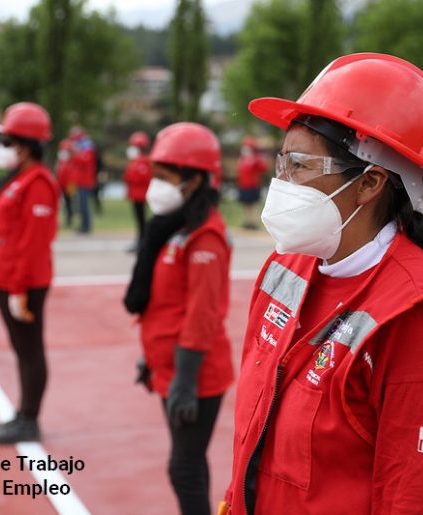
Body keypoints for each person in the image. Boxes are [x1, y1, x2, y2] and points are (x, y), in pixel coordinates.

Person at [219, 53, 423, 515]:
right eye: (281, 163)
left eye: (299, 166)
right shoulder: (287, 265)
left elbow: (418, 499)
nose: (281, 183)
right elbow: (254, 430)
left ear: (370, 183)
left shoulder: (418, 315)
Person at [124, 122, 234, 515]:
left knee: (183, 469)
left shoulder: (205, 237)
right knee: (191, 462)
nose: (155, 186)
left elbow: (202, 316)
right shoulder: (175, 227)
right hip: (171, 367)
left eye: (164, 177)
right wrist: (151, 359)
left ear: (195, 180)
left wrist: (185, 381)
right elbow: (165, 304)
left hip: (196, 374)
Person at [0, 102, 59, 443]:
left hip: (25, 283)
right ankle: (23, 413)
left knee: (30, 351)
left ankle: (29, 418)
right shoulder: (19, 179)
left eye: (7, 142)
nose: (1, 149)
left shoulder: (38, 183)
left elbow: (32, 244)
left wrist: (17, 289)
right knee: (21, 349)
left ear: (26, 146)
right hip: (9, 279)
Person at [123, 131, 153, 248]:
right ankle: (140, 241)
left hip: (142, 195)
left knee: (142, 220)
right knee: (139, 220)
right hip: (136, 195)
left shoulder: (145, 162)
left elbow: (139, 178)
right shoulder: (136, 161)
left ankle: (142, 242)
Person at [236, 136, 267, 230]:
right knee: (246, 204)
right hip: (243, 185)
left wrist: (257, 159)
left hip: (253, 185)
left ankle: (255, 222)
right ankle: (248, 221)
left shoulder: (255, 159)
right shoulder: (242, 159)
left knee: (253, 204)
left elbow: (263, 169)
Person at [70, 127, 97, 234]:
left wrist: (75, 153)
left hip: (85, 182)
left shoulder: (88, 149)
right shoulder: (82, 150)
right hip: (80, 181)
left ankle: (86, 226)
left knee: (84, 205)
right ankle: (83, 225)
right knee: (81, 205)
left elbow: (82, 161)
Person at [55, 139, 76, 228]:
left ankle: (69, 219)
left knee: (69, 202)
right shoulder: (61, 162)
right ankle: (65, 219)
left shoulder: (72, 162)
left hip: (70, 184)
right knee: (62, 203)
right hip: (61, 184)